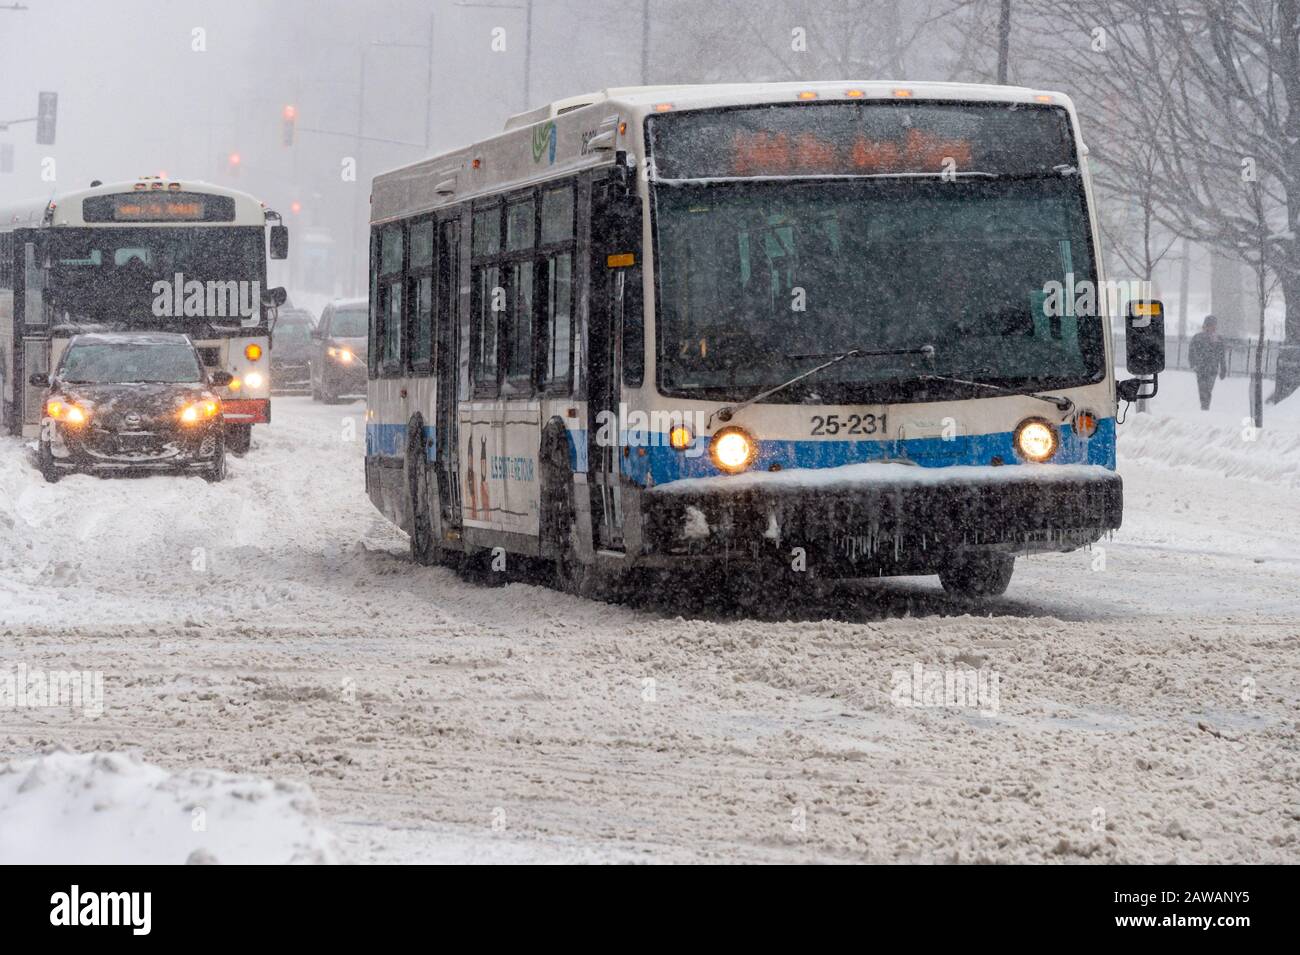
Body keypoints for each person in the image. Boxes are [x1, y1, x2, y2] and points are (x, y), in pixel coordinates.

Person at [1188, 315, 1228, 410]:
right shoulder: (1197, 338)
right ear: (1205, 326)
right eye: (1209, 325)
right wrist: (1193, 364)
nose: (1211, 328)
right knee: (1202, 389)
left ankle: (1205, 406)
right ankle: (1204, 406)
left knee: (1208, 389)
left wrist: (1223, 369)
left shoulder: (1219, 339)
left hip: (1212, 369)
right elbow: (1191, 352)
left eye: (1213, 325)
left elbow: (1222, 356)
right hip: (1200, 368)